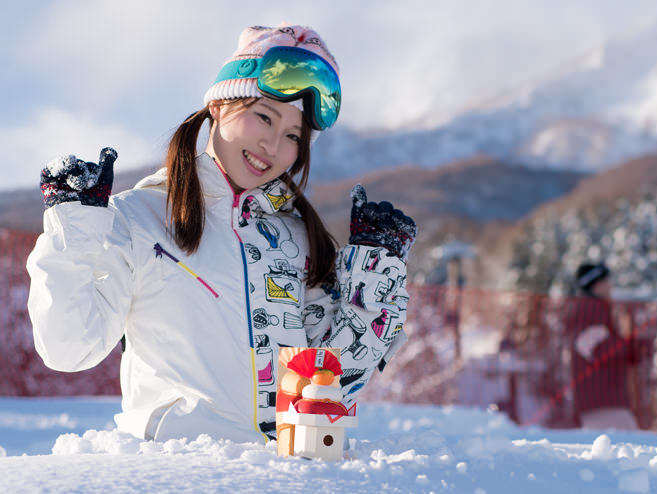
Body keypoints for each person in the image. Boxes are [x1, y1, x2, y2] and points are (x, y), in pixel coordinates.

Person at [26, 24, 415, 443]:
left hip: (282, 488)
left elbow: (324, 390)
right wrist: (76, 224)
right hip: (176, 482)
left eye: (292, 137)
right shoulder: (140, 218)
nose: (272, 144)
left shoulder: (298, 240)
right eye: (263, 116)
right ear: (219, 105)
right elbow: (68, 348)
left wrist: (374, 279)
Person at [560, 261, 652, 430]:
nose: (610, 287)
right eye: (606, 282)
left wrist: (633, 349)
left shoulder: (593, 310)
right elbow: (598, 349)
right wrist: (634, 348)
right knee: (628, 447)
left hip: (604, 401)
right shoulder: (590, 310)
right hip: (602, 402)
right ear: (596, 285)